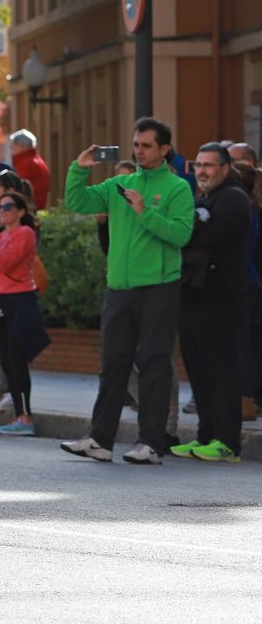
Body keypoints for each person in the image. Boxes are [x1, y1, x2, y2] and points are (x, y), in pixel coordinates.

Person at [61, 117, 195, 464]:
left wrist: (144, 211)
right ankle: (100, 440)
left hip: (159, 289)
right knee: (113, 365)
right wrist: (79, 168)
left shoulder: (178, 188)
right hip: (119, 289)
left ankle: (151, 443)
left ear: (164, 149)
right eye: (136, 144)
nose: (139, 150)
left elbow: (181, 235)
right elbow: (77, 202)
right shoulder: (119, 184)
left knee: (153, 365)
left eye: (146, 145)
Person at [169, 144, 253, 462]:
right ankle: (206, 436)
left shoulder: (233, 198)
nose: (202, 171)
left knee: (222, 371)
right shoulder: (204, 198)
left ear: (225, 168)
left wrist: (185, 228)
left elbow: (199, 236)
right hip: (194, 296)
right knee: (199, 371)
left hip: (222, 299)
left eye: (209, 166)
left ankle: (227, 442)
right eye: (198, 165)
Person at [0, 191, 48, 435]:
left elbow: (7, 263)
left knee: (16, 360)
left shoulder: (25, 234)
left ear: (21, 211)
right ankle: (19, 415)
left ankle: (24, 416)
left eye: (9, 207)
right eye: (0, 207)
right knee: (5, 360)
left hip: (17, 301)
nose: (2, 211)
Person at [8, 129, 51, 209]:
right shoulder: (37, 161)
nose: (10, 148)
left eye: (12, 145)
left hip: (28, 208)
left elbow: (18, 189)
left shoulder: (26, 164)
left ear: (20, 145)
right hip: (36, 206)